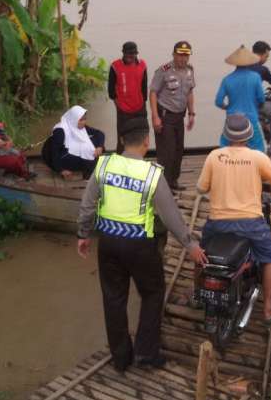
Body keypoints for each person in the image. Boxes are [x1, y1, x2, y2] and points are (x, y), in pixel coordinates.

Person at [77, 118, 207, 372]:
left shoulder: (104, 165)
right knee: (152, 294)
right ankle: (146, 353)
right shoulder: (152, 174)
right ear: (147, 141)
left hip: (109, 243)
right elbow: (170, 216)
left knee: (113, 299)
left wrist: (83, 234)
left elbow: (87, 204)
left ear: (122, 141)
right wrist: (189, 244)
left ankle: (121, 357)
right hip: (140, 246)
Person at [196, 114, 271, 325]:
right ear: (249, 135)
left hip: (217, 223)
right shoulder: (258, 158)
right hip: (251, 223)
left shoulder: (214, 156)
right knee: (269, 258)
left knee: (201, 256)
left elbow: (201, 189)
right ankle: (267, 309)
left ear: (226, 135)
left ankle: (198, 296)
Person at [150, 41, 196, 190]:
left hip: (179, 117)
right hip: (165, 116)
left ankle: (173, 181)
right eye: (180, 55)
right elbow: (153, 93)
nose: (183, 59)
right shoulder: (164, 70)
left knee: (178, 150)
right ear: (174, 54)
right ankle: (163, 185)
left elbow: (189, 92)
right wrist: (155, 117)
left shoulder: (190, 70)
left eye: (186, 56)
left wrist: (191, 113)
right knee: (166, 152)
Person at [215, 45, 266, 152]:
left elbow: (218, 101)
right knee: (259, 150)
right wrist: (256, 106)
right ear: (249, 61)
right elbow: (261, 98)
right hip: (251, 118)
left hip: (232, 120)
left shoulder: (227, 79)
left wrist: (228, 106)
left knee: (225, 150)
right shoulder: (255, 77)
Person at [43, 105, 105, 179]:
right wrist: (61, 170)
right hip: (60, 156)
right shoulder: (60, 131)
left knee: (99, 146)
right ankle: (88, 170)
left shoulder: (79, 126)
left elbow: (99, 133)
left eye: (85, 119)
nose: (84, 122)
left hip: (68, 152)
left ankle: (89, 167)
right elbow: (54, 152)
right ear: (74, 119)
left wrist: (100, 147)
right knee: (90, 163)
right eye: (81, 120)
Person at [108, 41, 148, 153]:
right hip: (123, 109)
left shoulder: (142, 65)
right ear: (123, 53)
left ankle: (137, 161)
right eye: (128, 54)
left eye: (133, 54)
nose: (130, 56)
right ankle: (120, 163)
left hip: (140, 107)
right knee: (122, 138)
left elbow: (144, 87)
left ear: (136, 54)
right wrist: (119, 106)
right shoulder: (115, 66)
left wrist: (143, 103)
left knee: (140, 137)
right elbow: (111, 91)